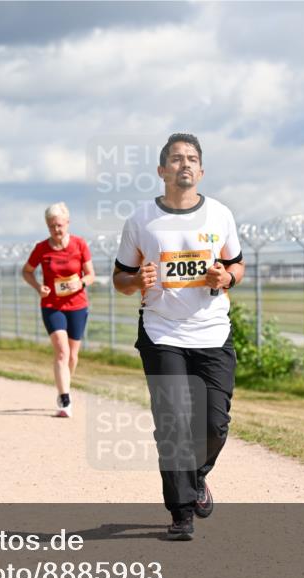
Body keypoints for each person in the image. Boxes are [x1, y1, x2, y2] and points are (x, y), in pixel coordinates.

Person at [113, 133, 245, 541]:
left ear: (201, 171)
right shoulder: (141, 220)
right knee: (172, 424)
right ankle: (181, 511)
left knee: (213, 425)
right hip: (161, 332)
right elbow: (119, 278)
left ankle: (196, 476)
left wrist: (226, 278)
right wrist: (137, 281)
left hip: (212, 332)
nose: (184, 163)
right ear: (161, 170)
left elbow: (237, 266)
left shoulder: (220, 214)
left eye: (191, 158)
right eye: (175, 158)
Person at [22, 202, 95, 417]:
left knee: (72, 356)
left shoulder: (80, 244)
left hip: (78, 305)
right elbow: (26, 271)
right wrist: (38, 287)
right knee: (62, 351)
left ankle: (65, 388)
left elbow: (91, 274)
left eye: (59, 225)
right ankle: (64, 400)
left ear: (67, 223)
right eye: (51, 226)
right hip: (52, 305)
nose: (56, 230)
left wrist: (80, 283)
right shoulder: (41, 249)